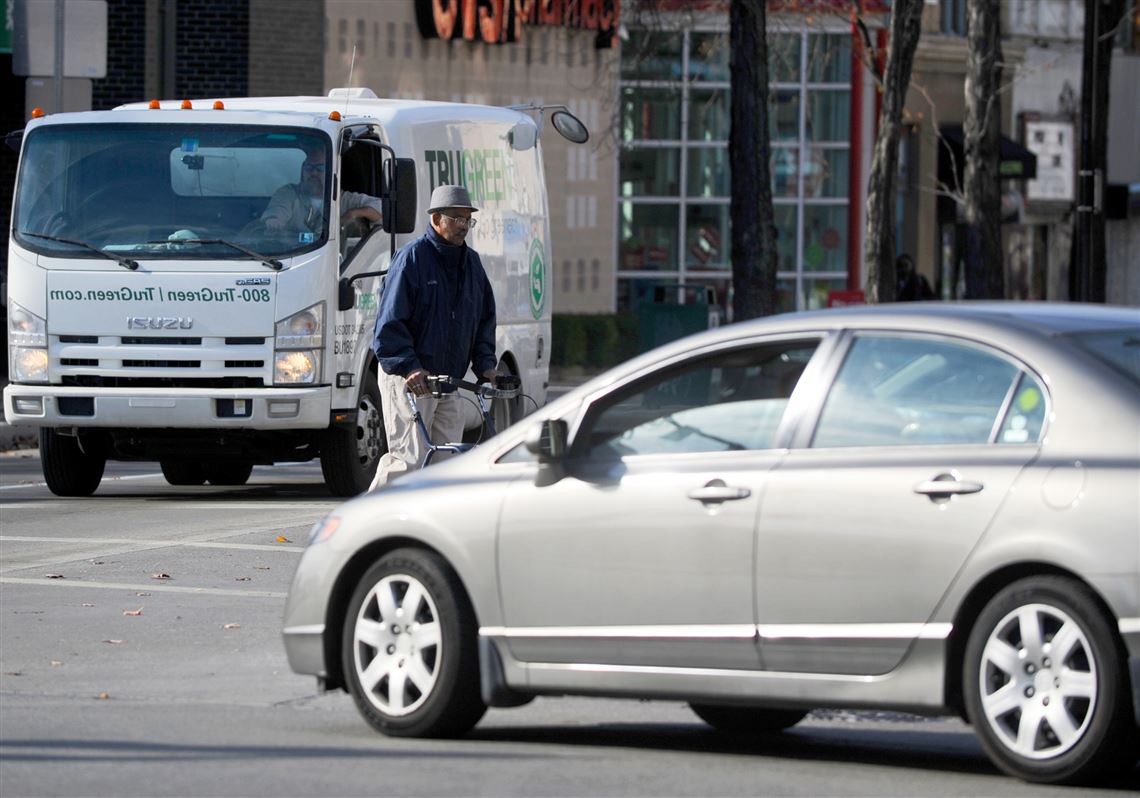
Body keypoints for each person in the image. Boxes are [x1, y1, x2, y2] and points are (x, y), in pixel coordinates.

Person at [368, 184, 498, 490]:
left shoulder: (473, 266)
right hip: (409, 378)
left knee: (447, 467)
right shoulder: (412, 259)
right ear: (436, 219)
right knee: (408, 461)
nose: (463, 225)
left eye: (467, 219)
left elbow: (483, 322)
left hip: (448, 380)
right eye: (456, 218)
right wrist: (408, 366)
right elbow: (389, 325)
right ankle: (361, 526)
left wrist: (486, 366)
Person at [260, 146, 381, 238]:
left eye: (320, 169)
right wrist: (274, 222)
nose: (313, 173)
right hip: (292, 255)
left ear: (330, 172)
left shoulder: (344, 199)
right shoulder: (289, 193)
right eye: (309, 168)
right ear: (302, 171)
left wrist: (352, 214)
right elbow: (276, 212)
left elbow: (383, 208)